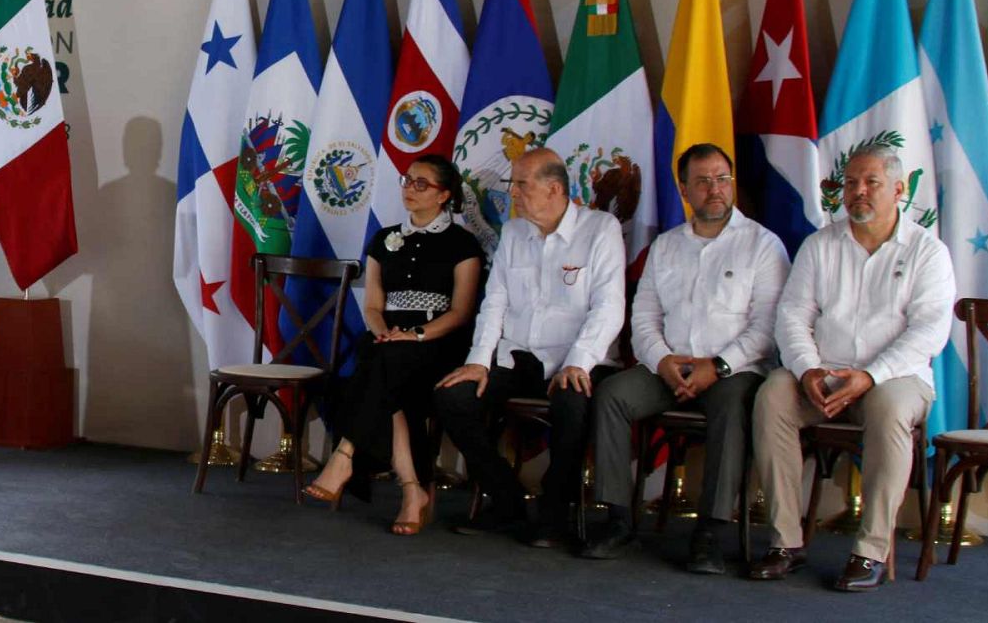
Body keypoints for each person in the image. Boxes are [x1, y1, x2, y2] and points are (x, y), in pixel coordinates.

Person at [748, 145, 955, 591]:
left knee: (889, 408)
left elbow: (928, 333)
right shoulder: (820, 244)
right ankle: (786, 541)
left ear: (899, 190)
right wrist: (806, 370)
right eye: (851, 183)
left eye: (872, 183)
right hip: (823, 374)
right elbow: (792, 315)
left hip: (896, 379)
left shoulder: (927, 252)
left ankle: (870, 551)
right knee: (773, 395)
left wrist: (870, 376)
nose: (858, 192)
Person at [580, 144, 789, 573]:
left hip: (734, 370)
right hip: (668, 367)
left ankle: (710, 533)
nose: (715, 189)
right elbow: (644, 317)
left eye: (722, 179)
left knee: (733, 409)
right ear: (683, 189)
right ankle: (618, 519)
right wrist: (661, 361)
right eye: (703, 181)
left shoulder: (763, 246)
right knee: (612, 395)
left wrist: (720, 366)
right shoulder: (666, 246)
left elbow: (767, 329)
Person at [434, 146, 626, 546]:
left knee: (573, 404)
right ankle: (507, 500)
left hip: (577, 358)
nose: (513, 193)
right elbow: (495, 303)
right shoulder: (514, 231)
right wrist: (479, 362)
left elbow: (609, 307)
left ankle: (556, 514)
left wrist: (579, 362)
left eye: (521, 184)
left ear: (554, 188)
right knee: (454, 398)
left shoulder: (599, 229)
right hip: (518, 356)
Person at [301, 155, 483, 535]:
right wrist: (384, 330)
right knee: (386, 368)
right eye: (407, 180)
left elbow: (461, 313)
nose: (409, 189)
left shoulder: (463, 244)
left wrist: (416, 335)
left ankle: (345, 453)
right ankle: (412, 491)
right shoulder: (385, 238)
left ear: (444, 194)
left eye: (422, 184)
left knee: (381, 367)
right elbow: (372, 305)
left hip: (439, 340)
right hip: (388, 339)